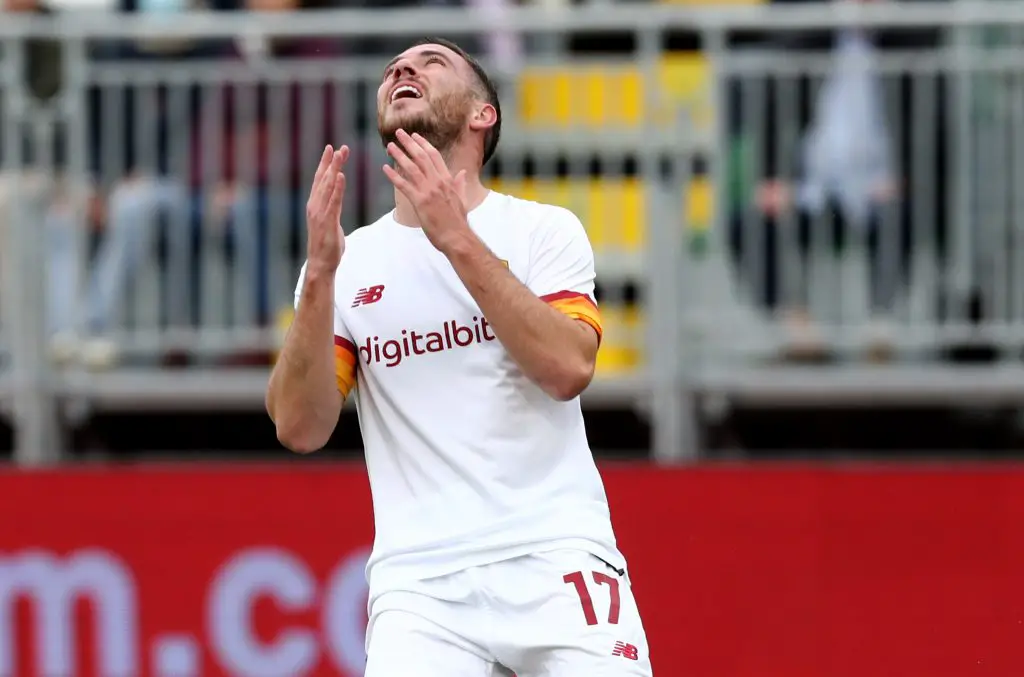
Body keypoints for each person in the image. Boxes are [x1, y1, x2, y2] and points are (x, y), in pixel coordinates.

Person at [266, 37, 653, 677]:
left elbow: (568, 370)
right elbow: (299, 428)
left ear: (482, 115)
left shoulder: (542, 231)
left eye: (432, 63)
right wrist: (320, 279)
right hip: (420, 587)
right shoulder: (347, 260)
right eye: (394, 67)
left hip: (554, 556)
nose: (402, 70)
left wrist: (456, 240)